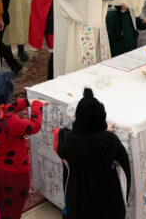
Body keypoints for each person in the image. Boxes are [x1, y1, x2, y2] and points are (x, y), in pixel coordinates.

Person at [0, 72, 48, 219]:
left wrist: (26, 102)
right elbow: (34, 125)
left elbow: (4, 109)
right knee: (13, 212)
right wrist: (37, 106)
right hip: (14, 175)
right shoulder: (9, 121)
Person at [52, 88, 131, 219]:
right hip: (105, 199)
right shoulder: (109, 141)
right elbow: (124, 167)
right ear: (102, 116)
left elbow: (62, 149)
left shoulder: (69, 139)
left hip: (77, 198)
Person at [28, 0, 61, 80]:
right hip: (50, 21)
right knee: (55, 53)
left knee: (62, 53)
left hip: (61, 17)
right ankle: (51, 79)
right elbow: (39, 5)